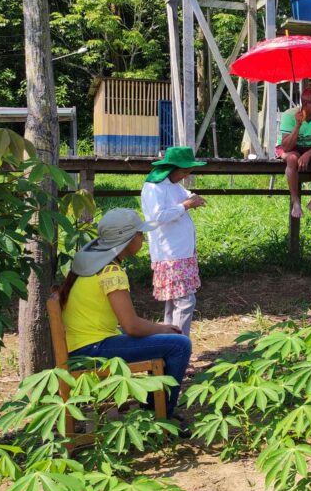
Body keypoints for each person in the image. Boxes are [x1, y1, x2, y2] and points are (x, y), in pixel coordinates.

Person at [60, 208, 192, 416]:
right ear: (128, 240)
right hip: (92, 350)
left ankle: (153, 407)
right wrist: (164, 328)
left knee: (162, 338)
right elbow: (132, 326)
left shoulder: (91, 262)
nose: (143, 238)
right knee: (180, 344)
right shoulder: (111, 272)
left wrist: (159, 330)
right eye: (139, 234)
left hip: (83, 345)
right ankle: (161, 413)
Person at [141, 146, 206, 338]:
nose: (186, 175)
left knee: (174, 302)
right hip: (170, 252)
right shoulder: (154, 187)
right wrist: (185, 206)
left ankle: (168, 343)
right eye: (184, 171)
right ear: (172, 168)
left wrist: (192, 198)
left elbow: (185, 195)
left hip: (181, 251)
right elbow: (157, 216)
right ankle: (180, 345)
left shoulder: (174, 184)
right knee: (186, 302)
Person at [278, 86, 311, 218]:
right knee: (291, 159)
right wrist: (297, 125)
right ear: (306, 104)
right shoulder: (288, 115)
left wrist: (307, 154)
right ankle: (295, 201)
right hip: (291, 148)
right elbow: (287, 147)